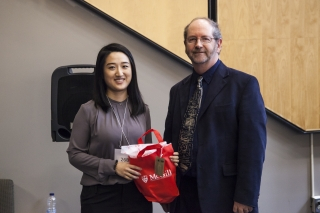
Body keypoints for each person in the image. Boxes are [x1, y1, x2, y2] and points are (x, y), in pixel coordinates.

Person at [162, 18, 267, 213]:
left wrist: (246, 197)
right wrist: (166, 191)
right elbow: (169, 146)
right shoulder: (177, 90)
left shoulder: (244, 85)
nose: (198, 44)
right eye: (192, 39)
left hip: (225, 196)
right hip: (183, 195)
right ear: (185, 45)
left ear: (218, 44)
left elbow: (253, 148)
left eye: (205, 38)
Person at [67, 43, 178, 213]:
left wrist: (166, 161)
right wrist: (113, 166)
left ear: (131, 70)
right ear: (102, 73)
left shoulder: (142, 110)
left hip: (138, 193)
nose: (119, 73)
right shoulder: (88, 110)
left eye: (125, 66)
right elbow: (74, 154)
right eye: (112, 67)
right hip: (99, 195)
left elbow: (146, 155)